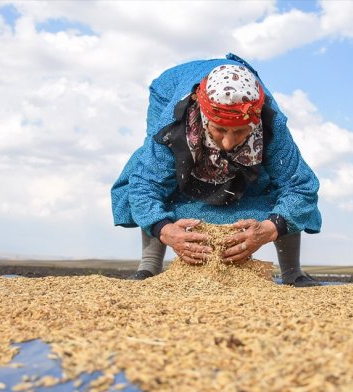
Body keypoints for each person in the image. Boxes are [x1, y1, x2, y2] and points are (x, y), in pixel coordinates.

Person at [111, 53, 322, 287]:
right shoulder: (171, 124)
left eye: (241, 131)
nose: (228, 143)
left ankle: (293, 272)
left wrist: (269, 229)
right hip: (170, 88)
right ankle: (148, 266)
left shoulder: (271, 124)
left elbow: (299, 185)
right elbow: (145, 184)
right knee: (160, 168)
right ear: (203, 117)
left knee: (276, 175)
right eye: (220, 129)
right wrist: (165, 229)